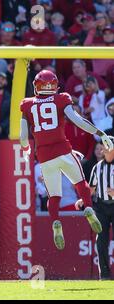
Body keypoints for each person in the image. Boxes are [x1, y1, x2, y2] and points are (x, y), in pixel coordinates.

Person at [19, 69, 113, 250]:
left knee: (54, 196)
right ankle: (88, 208)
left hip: (45, 156)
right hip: (63, 150)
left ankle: (55, 221)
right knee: (80, 183)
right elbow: (76, 119)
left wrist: (26, 148)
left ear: (37, 86)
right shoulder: (61, 99)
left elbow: (23, 137)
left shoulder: (27, 104)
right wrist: (100, 133)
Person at [77, 137, 114, 280]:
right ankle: (104, 276)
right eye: (104, 146)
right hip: (101, 206)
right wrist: (83, 199)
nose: (104, 149)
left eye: (107, 146)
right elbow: (91, 188)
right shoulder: (97, 167)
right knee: (101, 241)